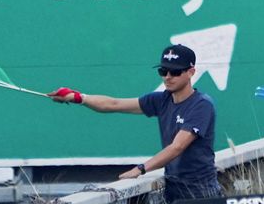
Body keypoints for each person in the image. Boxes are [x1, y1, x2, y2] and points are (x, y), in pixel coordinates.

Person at [47, 44, 221, 203]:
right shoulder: (161, 100)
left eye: (175, 72)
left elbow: (177, 147)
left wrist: (140, 169)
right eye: (163, 71)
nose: (167, 77)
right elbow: (113, 104)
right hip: (174, 192)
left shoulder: (201, 105)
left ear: (191, 72)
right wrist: (78, 97)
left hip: (202, 194)